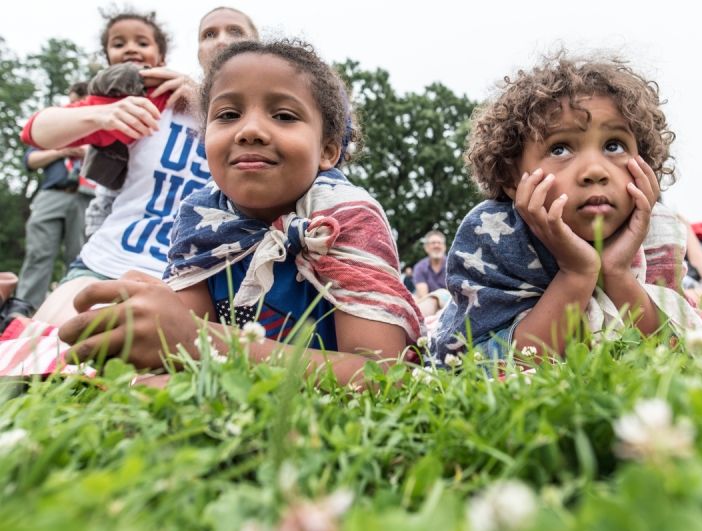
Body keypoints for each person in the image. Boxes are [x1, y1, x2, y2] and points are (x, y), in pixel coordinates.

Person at [58, 39, 423, 387]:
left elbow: (381, 375)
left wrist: (202, 341)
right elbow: (181, 351)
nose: (249, 131)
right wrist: (149, 321)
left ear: (327, 150)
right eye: (228, 114)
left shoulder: (346, 216)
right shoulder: (200, 217)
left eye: (283, 115)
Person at [430, 53, 702, 364]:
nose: (595, 170)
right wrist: (577, 272)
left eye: (614, 146)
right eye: (560, 148)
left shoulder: (657, 230)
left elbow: (668, 347)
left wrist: (616, 272)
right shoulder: (493, 234)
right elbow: (498, 360)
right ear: (513, 179)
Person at [18, 8, 260, 327]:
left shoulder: (269, 120)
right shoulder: (162, 99)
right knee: (43, 346)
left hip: (195, 283)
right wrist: (102, 116)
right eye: (209, 34)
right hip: (107, 262)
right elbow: (37, 131)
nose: (222, 40)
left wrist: (205, 98)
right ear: (198, 50)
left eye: (235, 31)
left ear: (258, 46)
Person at [9, 82, 92, 317]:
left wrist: (86, 152)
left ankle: (72, 315)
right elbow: (31, 161)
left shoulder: (98, 124)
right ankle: (21, 313)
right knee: (38, 254)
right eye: (72, 100)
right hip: (53, 194)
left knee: (80, 256)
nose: (74, 105)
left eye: (80, 100)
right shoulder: (57, 128)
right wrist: (62, 151)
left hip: (86, 197)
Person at [412, 230, 450, 316]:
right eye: (433, 243)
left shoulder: (453, 264)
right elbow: (423, 294)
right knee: (412, 297)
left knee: (440, 295)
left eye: (439, 243)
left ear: (444, 247)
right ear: (426, 248)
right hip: (427, 302)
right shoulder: (420, 267)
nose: (436, 245)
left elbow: (453, 293)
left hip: (449, 303)